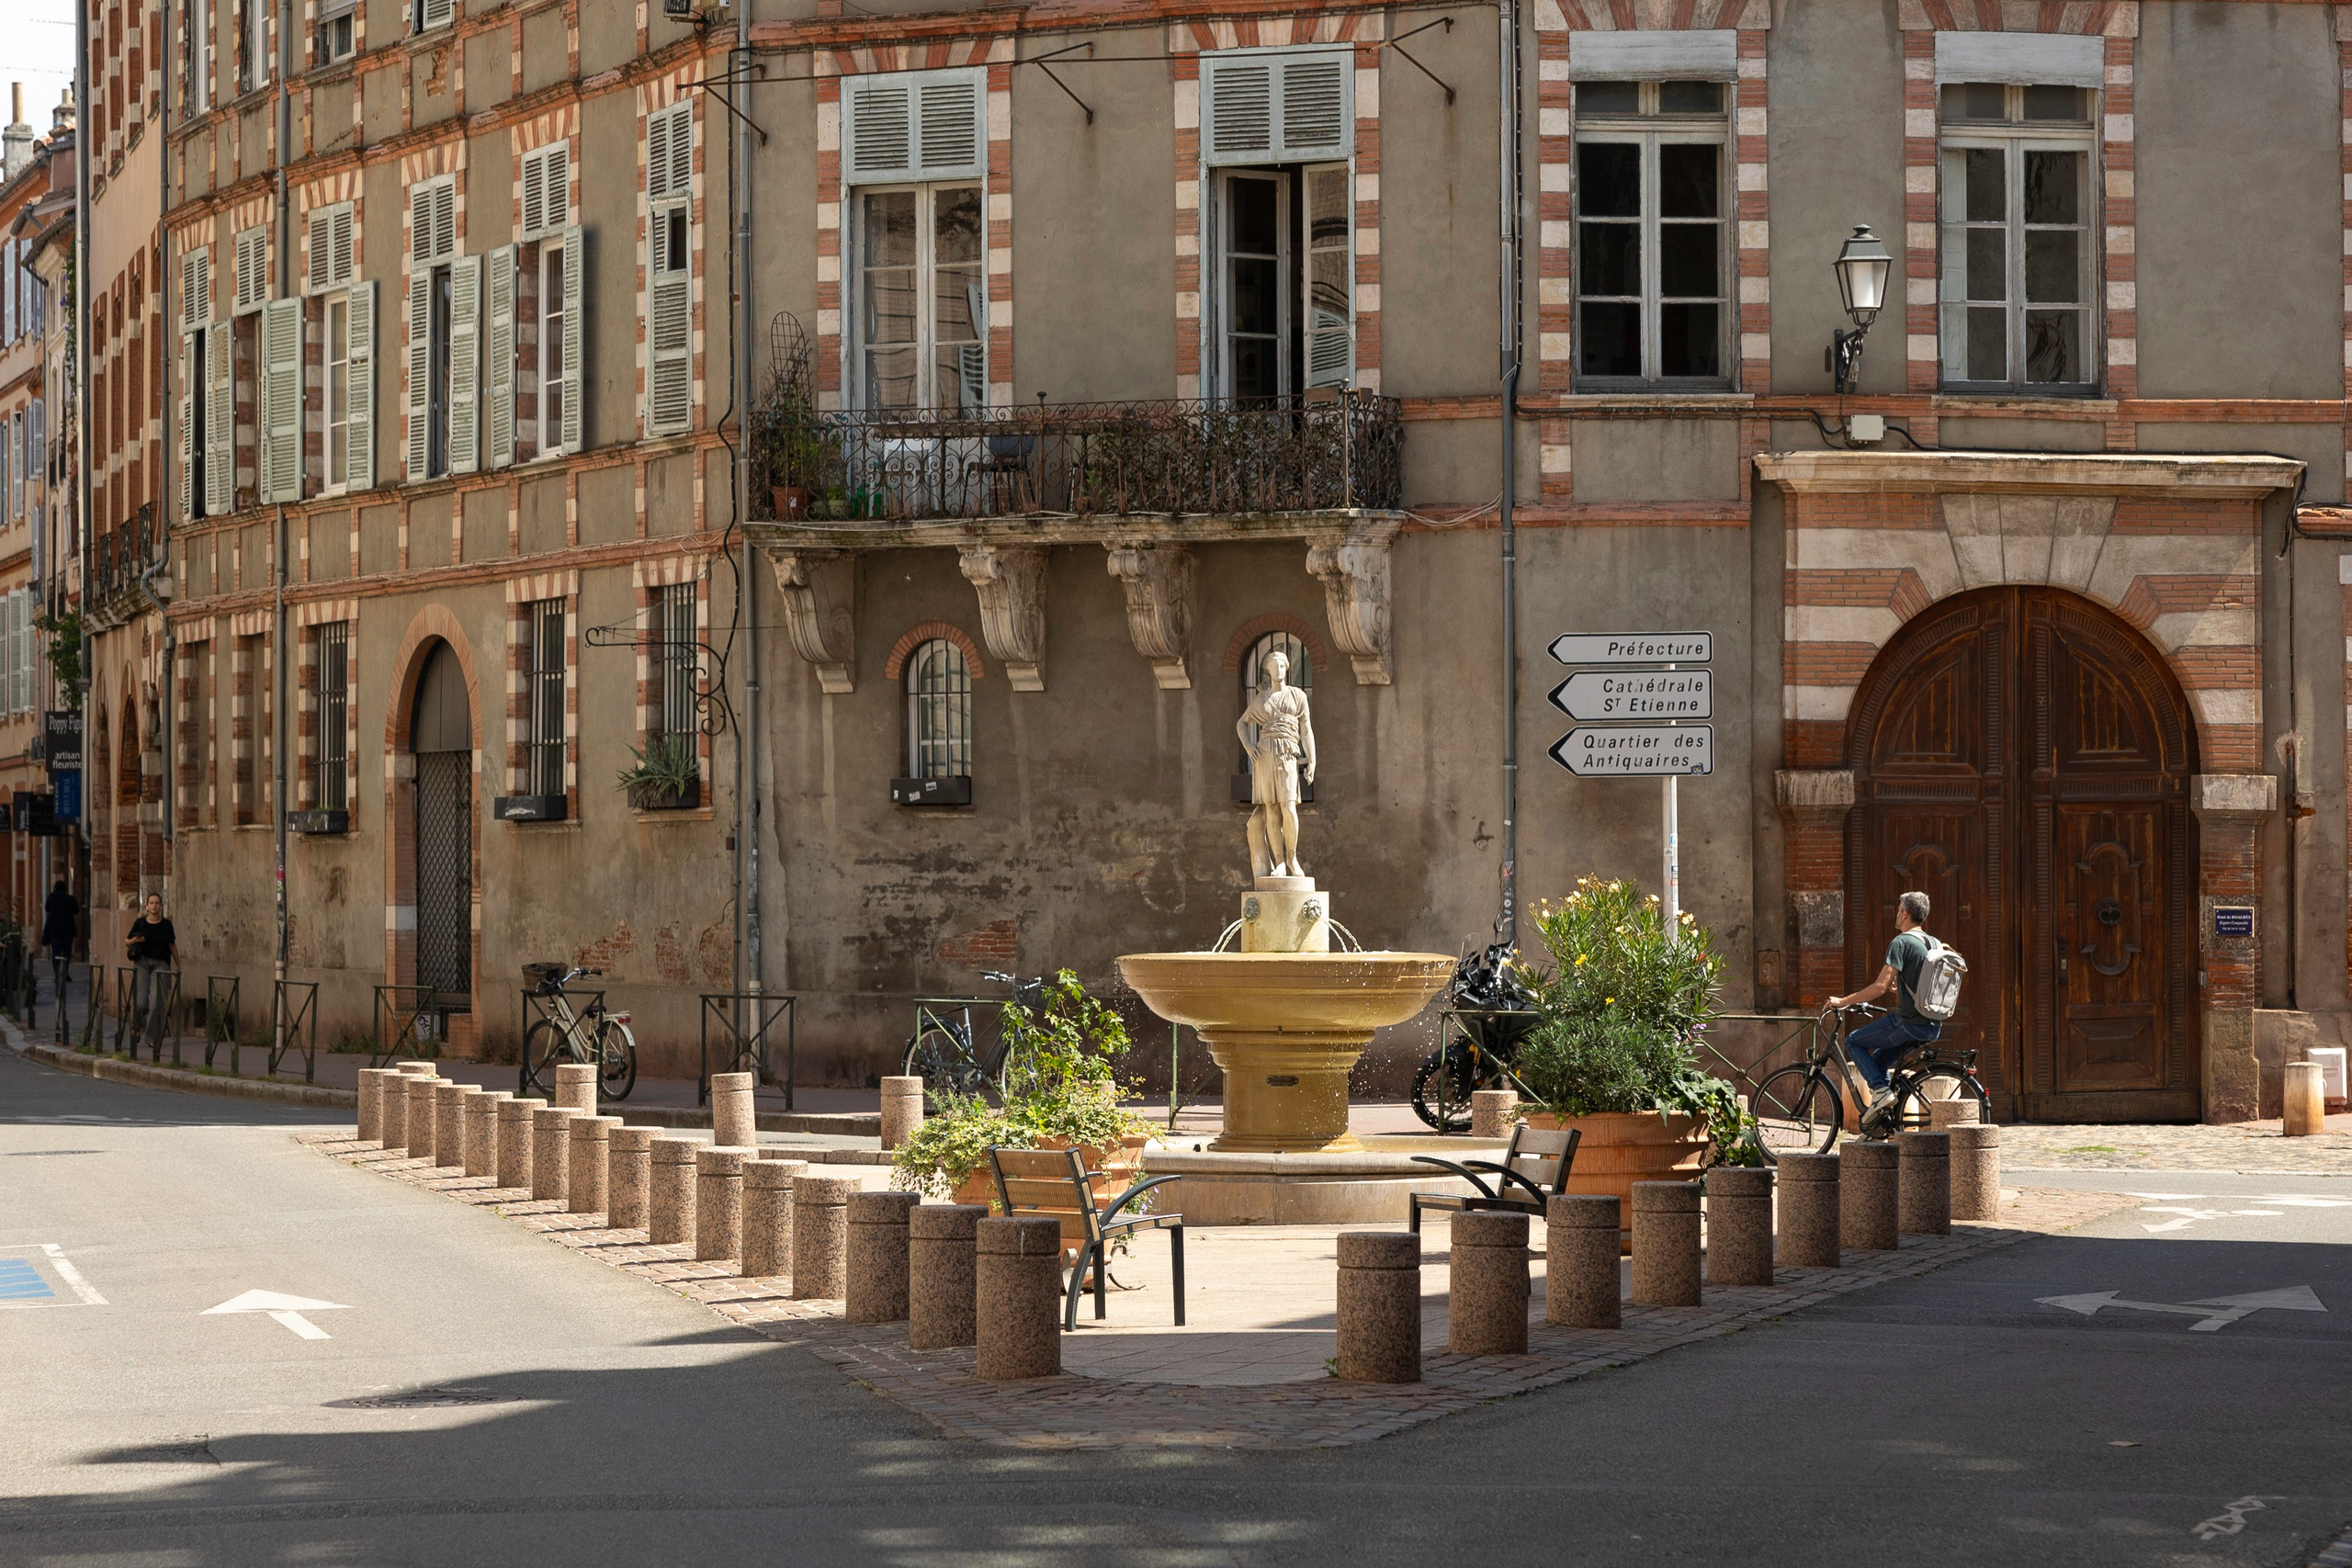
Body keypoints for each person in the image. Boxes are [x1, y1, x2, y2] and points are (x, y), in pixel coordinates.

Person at [1826, 889, 1941, 1122]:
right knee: (1878, 1062)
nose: (1897, 915)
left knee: (1853, 1041)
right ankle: (1883, 1121)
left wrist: (1843, 1001)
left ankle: (1880, 1092)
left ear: (1905, 913)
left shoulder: (1901, 942)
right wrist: (1903, 983)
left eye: (1898, 911)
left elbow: (1879, 987)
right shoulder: (1933, 942)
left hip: (1908, 1023)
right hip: (1931, 1025)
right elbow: (1927, 980)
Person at [1237, 648, 1316, 880]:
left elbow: (1306, 729)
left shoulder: (1297, 696)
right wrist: (1249, 746)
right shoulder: (1261, 699)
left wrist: (1311, 760)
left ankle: (1292, 857)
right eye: (1274, 666)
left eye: (1282, 666)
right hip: (1265, 754)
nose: (1279, 670)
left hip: (1287, 754)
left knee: (1289, 807)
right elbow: (1241, 723)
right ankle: (1279, 862)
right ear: (1268, 670)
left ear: (1287, 669)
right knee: (1271, 809)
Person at [125, 893, 177, 1051]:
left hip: (160, 964)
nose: (154, 906)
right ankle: (136, 1026)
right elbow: (127, 941)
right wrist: (135, 941)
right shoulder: (140, 923)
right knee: (141, 1002)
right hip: (142, 963)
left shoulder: (166, 925)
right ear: (146, 906)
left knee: (156, 1002)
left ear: (161, 906)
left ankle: (152, 1037)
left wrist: (178, 965)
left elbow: (172, 945)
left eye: (157, 903)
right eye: (151, 903)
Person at [40, 879, 77, 1006]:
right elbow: (76, 910)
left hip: (54, 930)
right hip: (68, 930)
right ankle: (65, 971)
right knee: (66, 952)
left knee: (55, 953)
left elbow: (47, 908)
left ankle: (57, 974)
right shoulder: (70, 899)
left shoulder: (52, 897)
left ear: (55, 888)